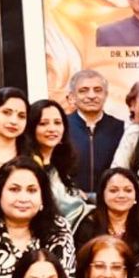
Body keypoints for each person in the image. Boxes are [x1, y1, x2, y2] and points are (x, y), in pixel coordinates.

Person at [73, 167, 139, 276]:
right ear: (102, 195)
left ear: (136, 196)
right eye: (113, 190)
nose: (121, 195)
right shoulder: (87, 227)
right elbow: (81, 266)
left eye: (128, 190)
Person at [30, 98, 90, 229]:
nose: (52, 129)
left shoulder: (60, 165)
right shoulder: (29, 166)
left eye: (57, 123)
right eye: (43, 123)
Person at [66, 70, 127, 194]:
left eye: (98, 90)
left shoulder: (121, 128)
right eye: (83, 90)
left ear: (106, 95)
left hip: (110, 200)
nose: (91, 96)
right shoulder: (62, 127)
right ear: (72, 97)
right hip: (70, 200)